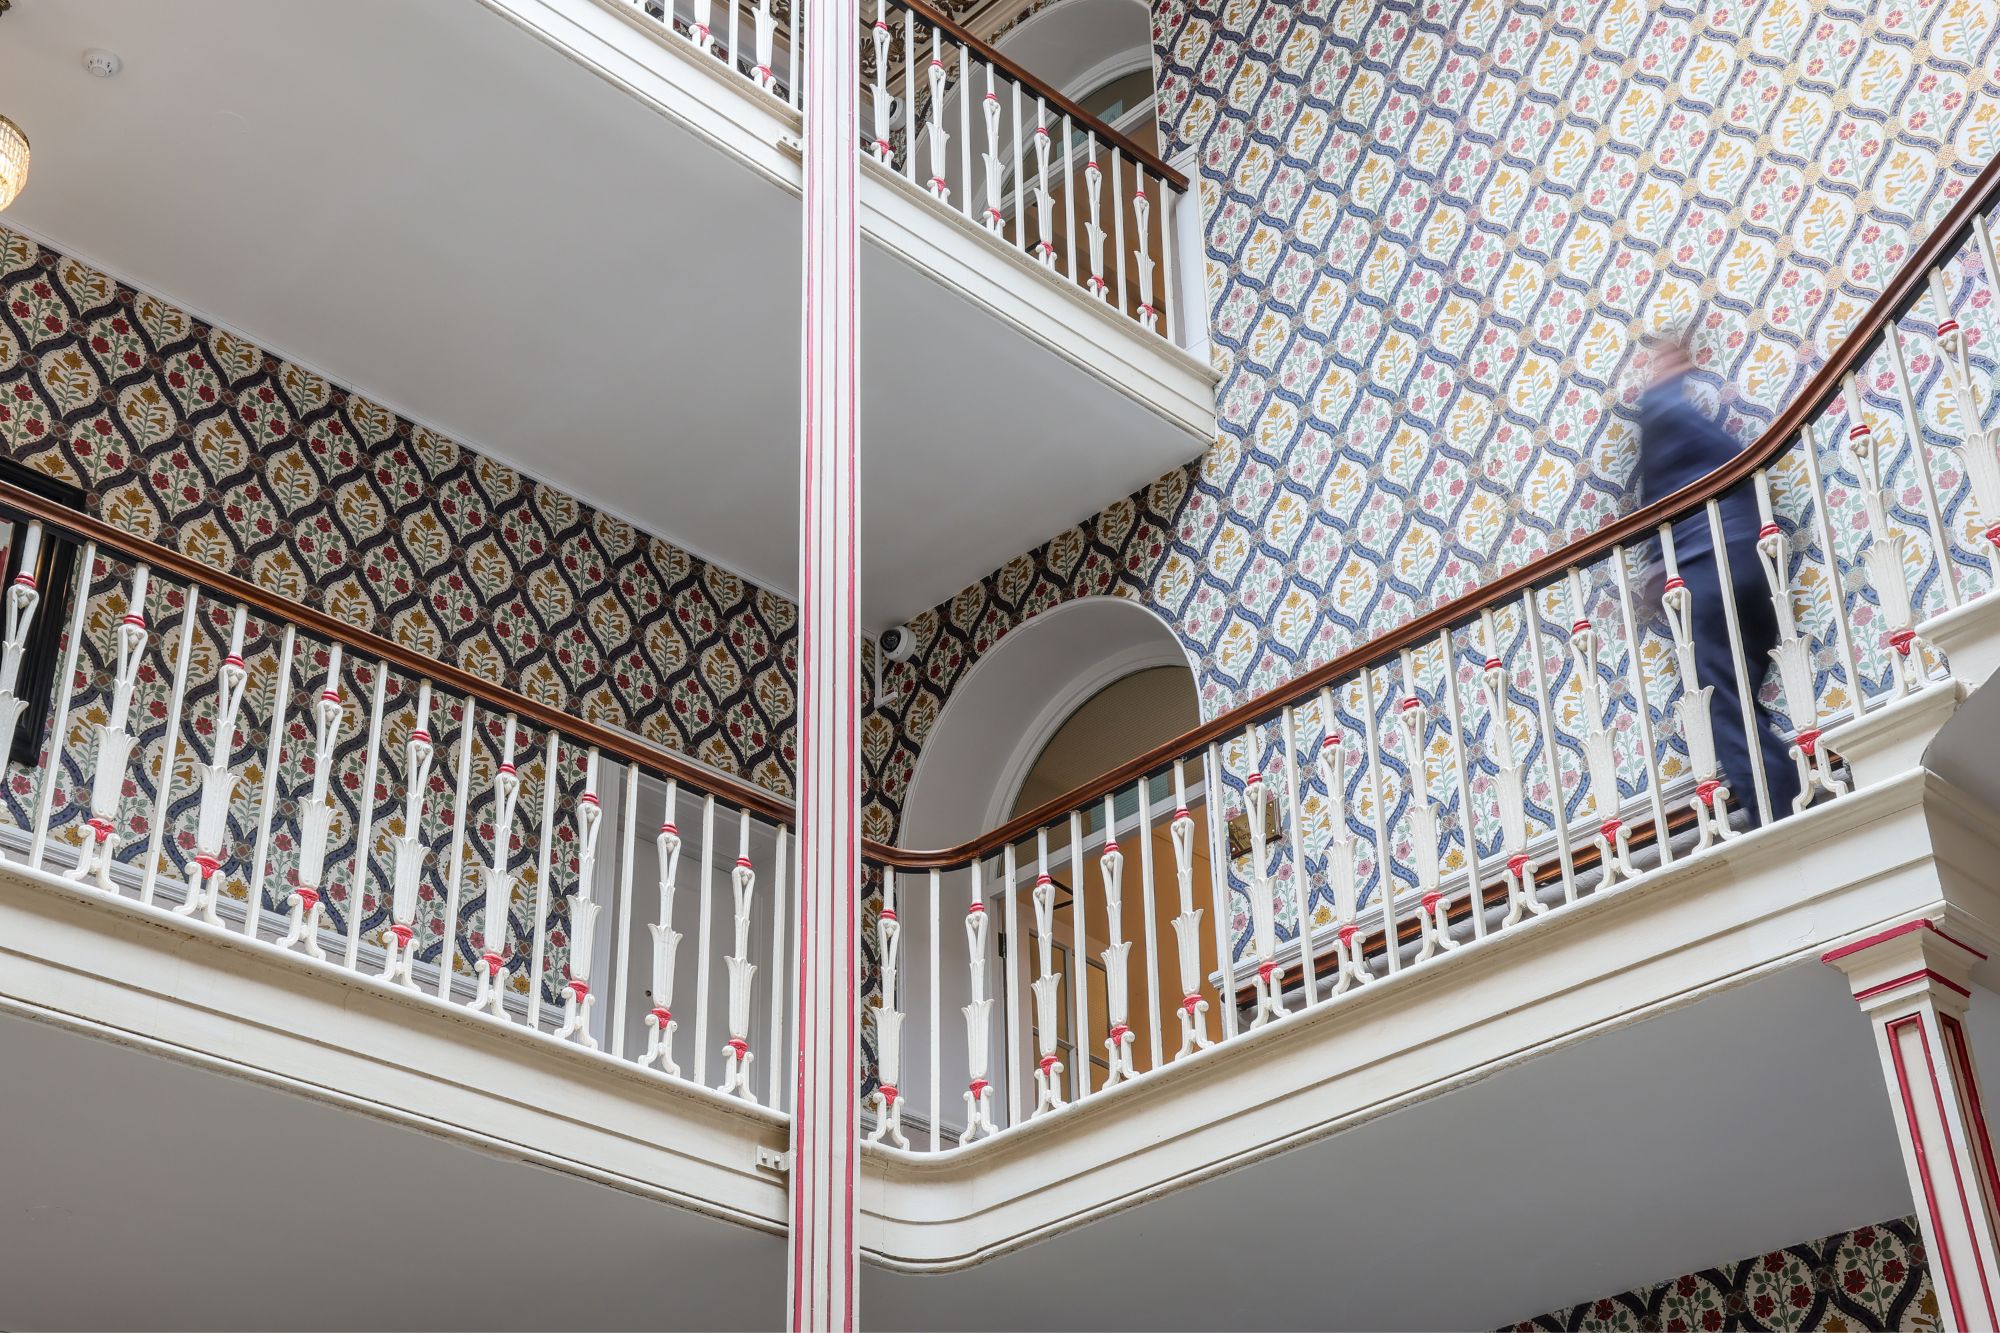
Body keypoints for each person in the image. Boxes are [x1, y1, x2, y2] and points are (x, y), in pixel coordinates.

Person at [1636, 332, 1801, 825]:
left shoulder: (1670, 422)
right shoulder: (1717, 443)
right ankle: (1785, 792)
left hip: (1709, 573)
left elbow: (1661, 415)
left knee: (1724, 705)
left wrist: (1661, 385)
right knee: (1740, 699)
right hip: (1753, 569)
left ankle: (1777, 809)